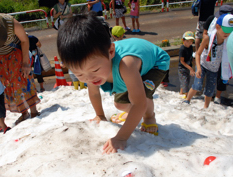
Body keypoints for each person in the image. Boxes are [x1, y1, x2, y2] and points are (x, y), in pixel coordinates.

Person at [57, 13, 170, 154]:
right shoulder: (90, 71)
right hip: (121, 69)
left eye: (95, 70)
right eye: (79, 74)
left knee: (143, 96)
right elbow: (93, 92)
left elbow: (139, 102)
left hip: (155, 63)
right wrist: (100, 115)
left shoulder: (126, 64)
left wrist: (121, 137)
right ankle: (134, 114)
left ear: (110, 51)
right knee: (120, 104)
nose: (89, 78)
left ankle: (149, 116)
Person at [184, 14, 233, 108]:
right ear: (217, 27)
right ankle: (187, 100)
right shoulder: (208, 38)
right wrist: (198, 68)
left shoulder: (228, 41)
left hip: (214, 69)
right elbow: (198, 54)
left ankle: (206, 108)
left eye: (231, 31)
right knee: (197, 86)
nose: (228, 34)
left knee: (210, 90)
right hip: (203, 65)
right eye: (226, 30)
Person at [203, 5, 233, 104]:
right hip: (213, 50)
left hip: (226, 53)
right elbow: (205, 32)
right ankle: (209, 94)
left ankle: (217, 96)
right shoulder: (212, 19)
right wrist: (207, 43)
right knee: (210, 73)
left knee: (222, 73)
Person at [178, 31, 195, 98]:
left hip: (188, 67)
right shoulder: (182, 49)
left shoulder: (190, 47)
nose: (189, 43)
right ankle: (187, 96)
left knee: (186, 81)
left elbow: (191, 56)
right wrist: (190, 68)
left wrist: (194, 62)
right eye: (187, 41)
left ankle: (181, 93)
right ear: (183, 40)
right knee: (184, 81)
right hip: (182, 68)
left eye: (191, 41)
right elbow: (182, 61)